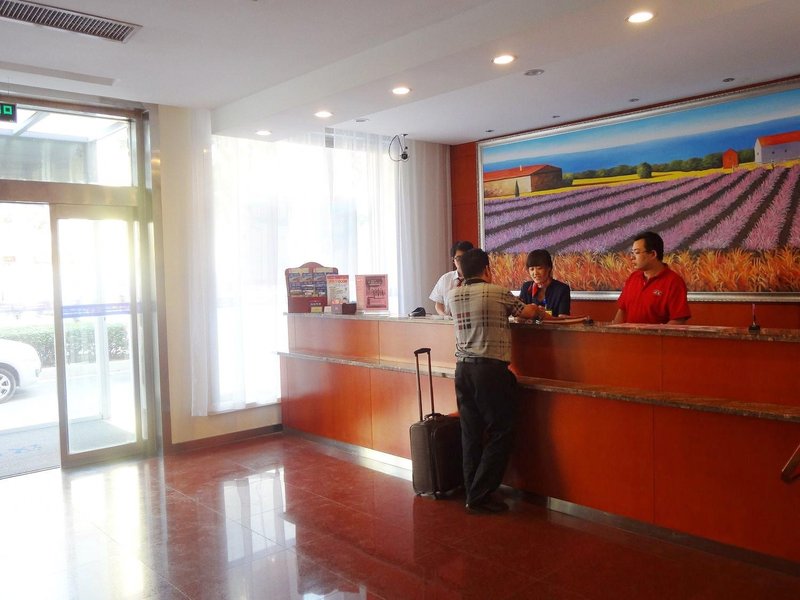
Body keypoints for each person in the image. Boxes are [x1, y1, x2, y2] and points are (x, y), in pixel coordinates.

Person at [444, 248, 538, 514]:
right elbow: (526, 312)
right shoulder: (498, 292)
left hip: (463, 370)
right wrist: (536, 309)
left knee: (471, 433)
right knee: (501, 431)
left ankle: (471, 490)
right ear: (487, 269)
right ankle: (480, 494)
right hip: (490, 371)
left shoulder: (452, 295)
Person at [612, 231, 691, 325]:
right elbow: (622, 310)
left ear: (653, 254)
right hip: (629, 334)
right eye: (632, 253)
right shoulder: (633, 278)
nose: (632, 257)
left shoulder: (674, 282)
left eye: (637, 252)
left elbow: (678, 320)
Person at [519, 249, 571, 318]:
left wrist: (545, 316)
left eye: (539, 268)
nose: (535, 273)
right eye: (532, 269)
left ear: (549, 268)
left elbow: (563, 320)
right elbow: (519, 316)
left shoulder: (562, 289)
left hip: (553, 325)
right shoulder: (526, 287)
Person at [429, 240, 474, 315]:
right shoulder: (445, 278)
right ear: (453, 259)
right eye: (458, 258)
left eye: (465, 258)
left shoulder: (476, 279)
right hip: (447, 320)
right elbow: (438, 304)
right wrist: (444, 316)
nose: (462, 261)